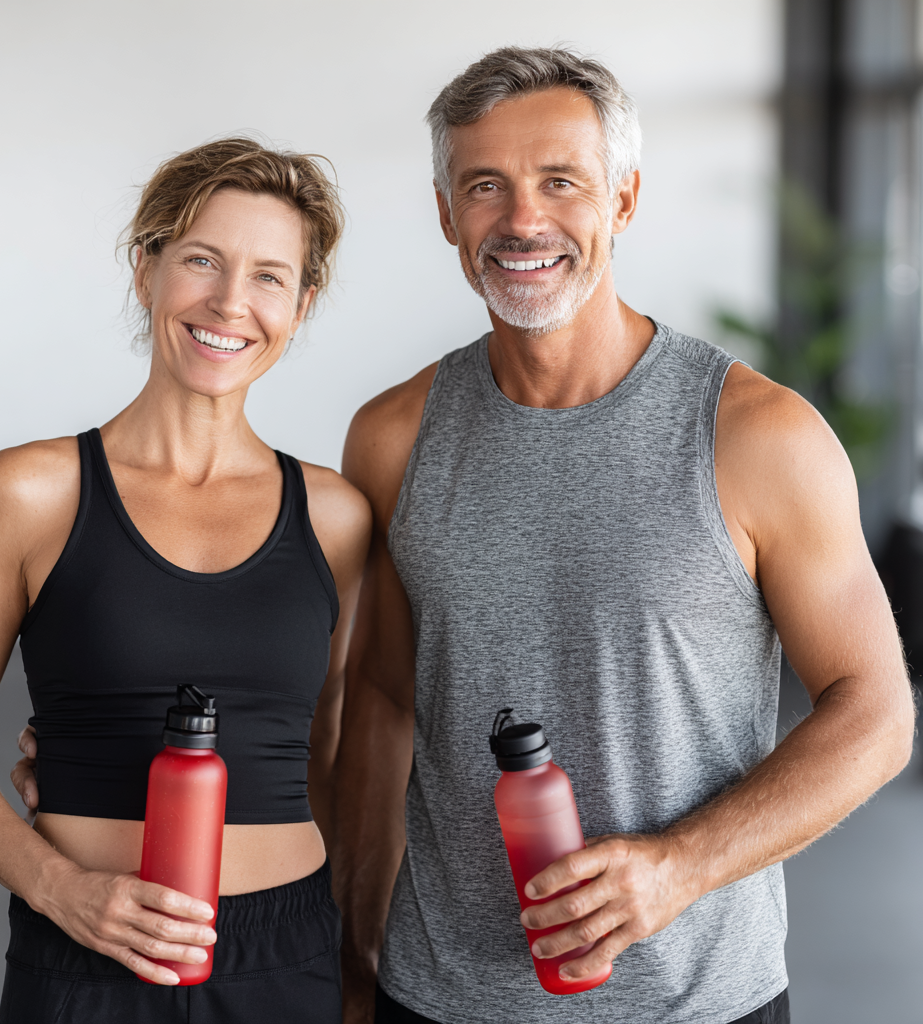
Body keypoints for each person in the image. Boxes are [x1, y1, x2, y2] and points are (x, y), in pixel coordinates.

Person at [332, 47, 916, 1024]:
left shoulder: (755, 435)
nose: (523, 220)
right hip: (437, 997)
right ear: (445, 215)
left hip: (694, 1004)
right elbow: (385, 699)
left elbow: (875, 713)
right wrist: (352, 947)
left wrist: (677, 867)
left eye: (560, 181)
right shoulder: (393, 437)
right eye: (485, 186)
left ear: (623, 199)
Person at [0, 137, 370, 1024]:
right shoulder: (33, 491)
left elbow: (340, 753)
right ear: (145, 268)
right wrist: (60, 887)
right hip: (82, 943)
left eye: (270, 276)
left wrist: (357, 952)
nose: (231, 302)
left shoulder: (336, 517)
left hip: (287, 954)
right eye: (202, 259)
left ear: (302, 305)